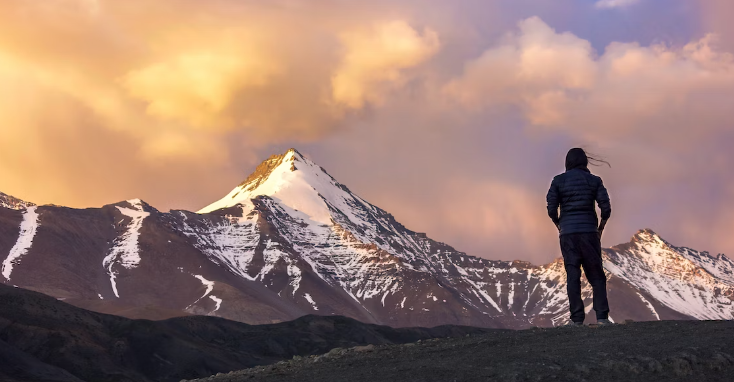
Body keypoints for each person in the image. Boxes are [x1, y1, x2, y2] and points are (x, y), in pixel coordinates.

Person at [546, 148, 612, 326]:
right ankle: (602, 318)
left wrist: (559, 224)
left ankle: (576, 320)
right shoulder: (594, 181)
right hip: (589, 233)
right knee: (596, 275)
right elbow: (606, 208)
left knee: (572, 274)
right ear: (585, 162)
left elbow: (551, 208)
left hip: (568, 235)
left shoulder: (558, 181)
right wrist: (600, 228)